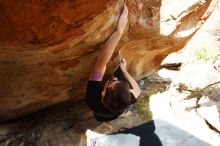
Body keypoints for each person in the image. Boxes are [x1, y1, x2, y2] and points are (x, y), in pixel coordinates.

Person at [86, 4, 141, 122]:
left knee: (99, 116)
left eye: (112, 82)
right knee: (118, 72)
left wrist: (119, 31)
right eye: (117, 81)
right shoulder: (127, 99)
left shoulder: (92, 99)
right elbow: (137, 90)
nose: (114, 78)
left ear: (103, 92)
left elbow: (101, 64)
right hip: (113, 113)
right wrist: (124, 70)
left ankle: (99, 118)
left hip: (99, 112)